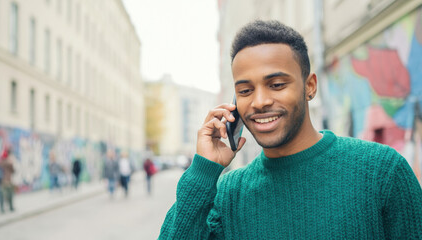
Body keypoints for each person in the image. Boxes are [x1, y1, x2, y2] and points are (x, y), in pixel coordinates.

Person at [159, 20, 422, 239]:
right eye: (245, 90)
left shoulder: (382, 172)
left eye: (276, 84)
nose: (260, 101)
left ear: (309, 86)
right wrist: (203, 171)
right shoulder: (229, 194)